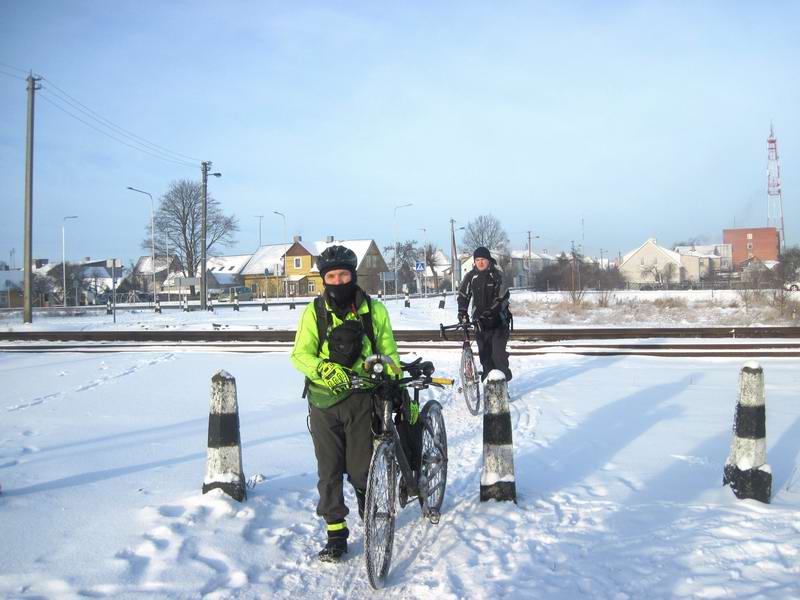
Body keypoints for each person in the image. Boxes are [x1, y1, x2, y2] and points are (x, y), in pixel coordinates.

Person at [291, 244, 406, 562]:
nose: (339, 281)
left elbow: (389, 350)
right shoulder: (314, 312)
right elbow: (300, 354)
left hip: (361, 399)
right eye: (332, 276)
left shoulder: (374, 310)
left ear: (353, 276)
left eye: (344, 274)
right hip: (324, 402)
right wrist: (323, 369)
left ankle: (368, 512)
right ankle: (336, 534)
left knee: (360, 470)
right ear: (324, 279)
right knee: (328, 472)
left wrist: (391, 380)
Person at [457, 246, 512, 381]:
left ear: (488, 260)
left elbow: (503, 297)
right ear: (474, 261)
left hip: (499, 323)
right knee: (485, 357)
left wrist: (492, 311)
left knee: (498, 356)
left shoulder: (497, 275)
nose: (480, 262)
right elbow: (463, 295)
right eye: (477, 260)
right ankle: (489, 387)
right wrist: (462, 312)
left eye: (483, 259)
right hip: (480, 324)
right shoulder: (470, 277)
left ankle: (503, 384)